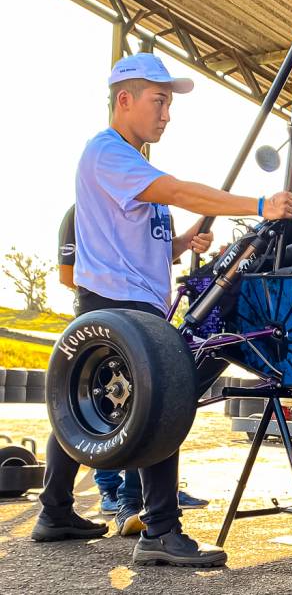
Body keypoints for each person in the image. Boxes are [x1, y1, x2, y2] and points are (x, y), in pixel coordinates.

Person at [32, 53, 292, 569]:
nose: (167, 114)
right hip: (115, 304)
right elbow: (178, 189)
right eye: (159, 102)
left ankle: (54, 510)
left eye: (169, 104)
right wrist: (260, 203)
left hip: (133, 301)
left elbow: (137, 243)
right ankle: (159, 529)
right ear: (124, 100)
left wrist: (181, 242)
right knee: (165, 400)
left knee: (85, 408)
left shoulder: (133, 161)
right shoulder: (107, 154)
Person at [57, 205, 209, 520]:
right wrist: (121, 286)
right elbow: (67, 274)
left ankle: (130, 501)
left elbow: (160, 256)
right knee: (87, 410)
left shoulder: (159, 207)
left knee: (133, 407)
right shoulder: (84, 207)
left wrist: (187, 241)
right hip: (108, 316)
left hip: (150, 311)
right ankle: (100, 495)